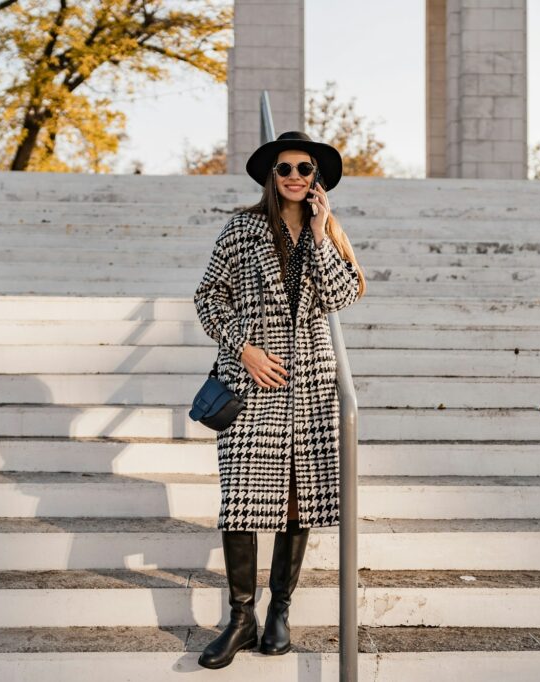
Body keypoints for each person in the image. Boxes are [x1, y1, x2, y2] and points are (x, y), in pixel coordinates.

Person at [193, 131, 366, 669]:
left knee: (299, 500)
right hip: (252, 380)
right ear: (272, 174)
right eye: (285, 167)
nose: (294, 175)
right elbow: (206, 296)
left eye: (305, 168)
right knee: (241, 503)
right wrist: (241, 348)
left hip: (310, 386)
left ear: (317, 179)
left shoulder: (328, 233)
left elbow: (339, 297)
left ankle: (279, 613)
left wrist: (317, 230)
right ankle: (240, 616)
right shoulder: (242, 228)